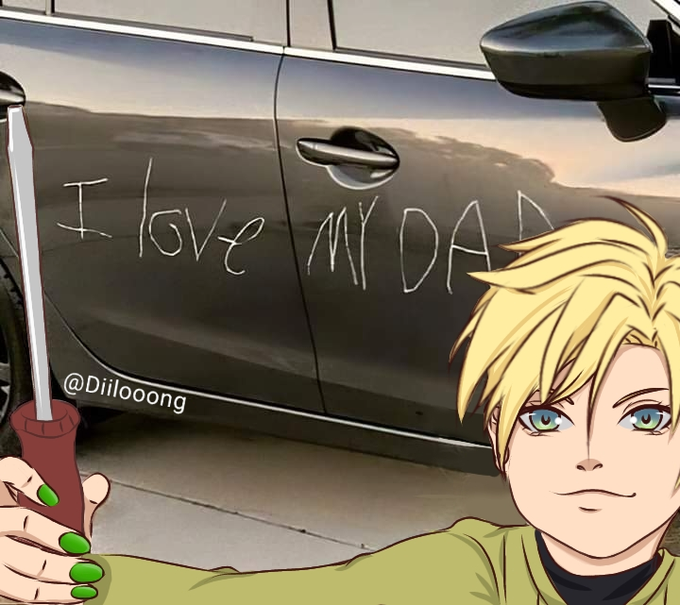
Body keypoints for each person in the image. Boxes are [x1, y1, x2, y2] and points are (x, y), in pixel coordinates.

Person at [2, 198, 680, 604]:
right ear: (502, 438)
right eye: (547, 416)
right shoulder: (460, 576)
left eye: (644, 416)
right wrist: (74, 582)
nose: (590, 456)